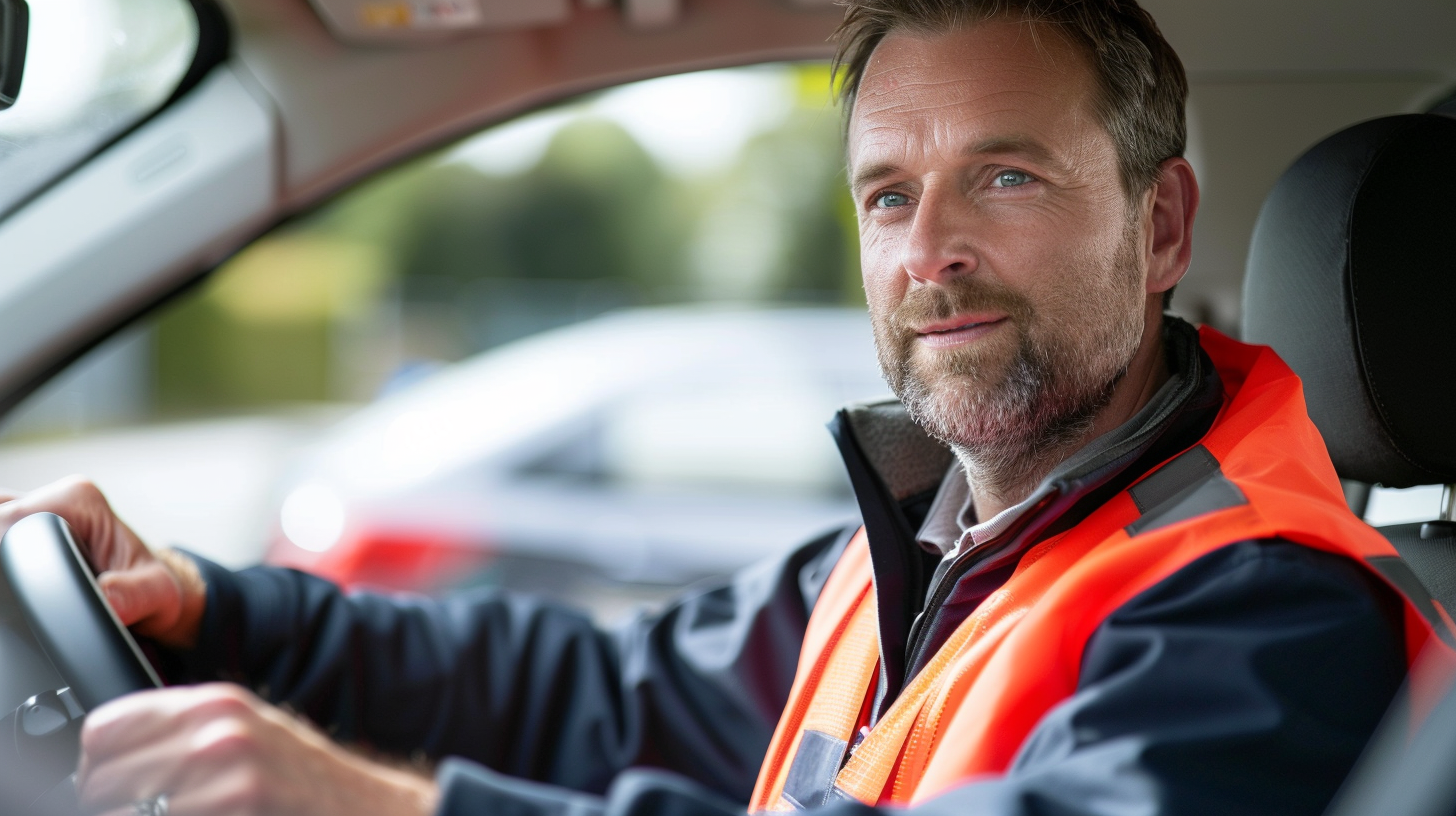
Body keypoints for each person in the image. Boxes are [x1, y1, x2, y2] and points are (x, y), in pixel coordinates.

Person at [1, 1, 1446, 815]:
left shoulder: (1271, 618)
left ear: (1165, 224)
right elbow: (588, 692)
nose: (927, 252)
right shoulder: (938, 548)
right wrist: (209, 606)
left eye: (1005, 177)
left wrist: (396, 811)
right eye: (890, 193)